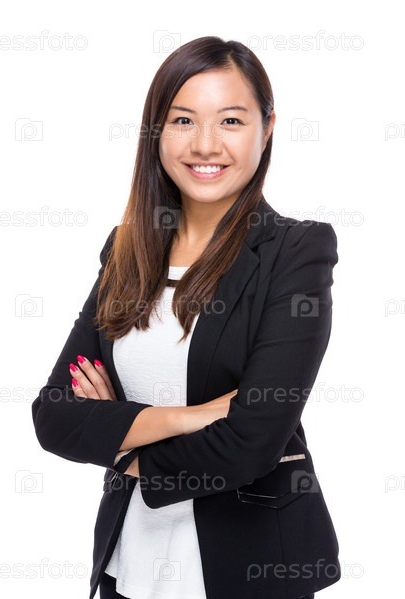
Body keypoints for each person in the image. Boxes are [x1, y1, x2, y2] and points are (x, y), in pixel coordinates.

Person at [32, 36, 341, 599]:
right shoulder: (125, 249)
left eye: (231, 120)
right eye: (182, 120)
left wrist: (117, 438)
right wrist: (194, 415)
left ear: (267, 128)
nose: (205, 144)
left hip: (251, 572)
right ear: (157, 131)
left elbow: (252, 441)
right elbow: (54, 415)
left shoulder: (296, 252)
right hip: (129, 568)